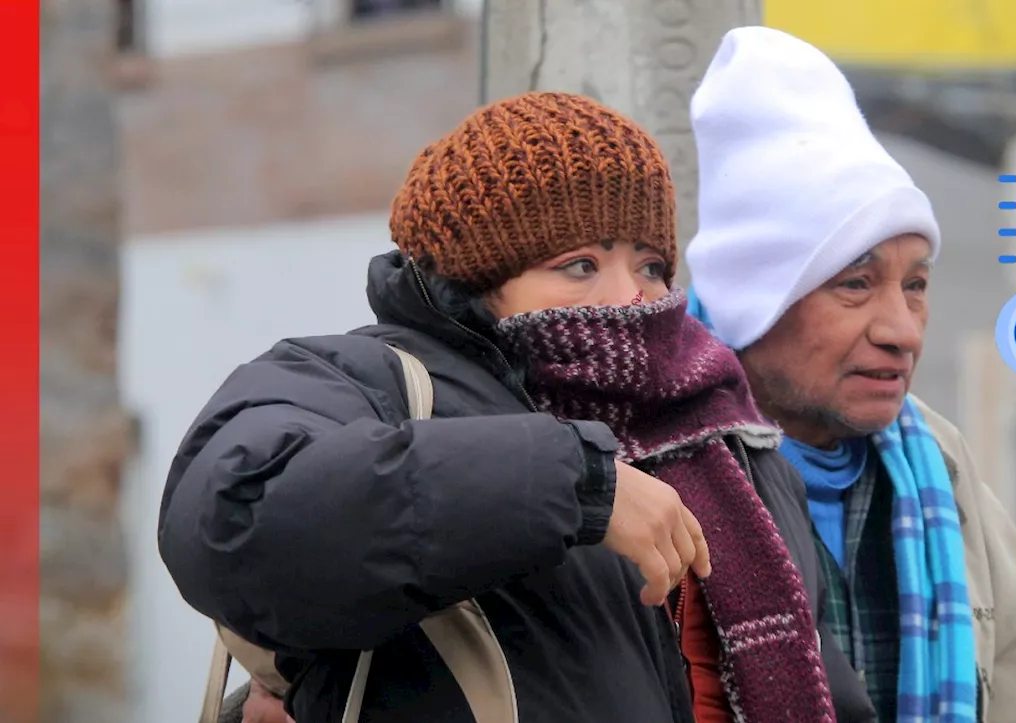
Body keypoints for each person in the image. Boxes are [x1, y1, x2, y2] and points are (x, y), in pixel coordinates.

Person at [159, 91, 875, 723]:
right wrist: (576, 483)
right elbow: (231, 514)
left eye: (651, 264)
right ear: (481, 275)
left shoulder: (721, 438)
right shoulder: (372, 382)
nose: (632, 295)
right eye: (580, 265)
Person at [683, 27, 1016, 723]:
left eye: (915, 285)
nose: (903, 329)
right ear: (754, 301)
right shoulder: (655, 474)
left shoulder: (936, 464)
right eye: (856, 283)